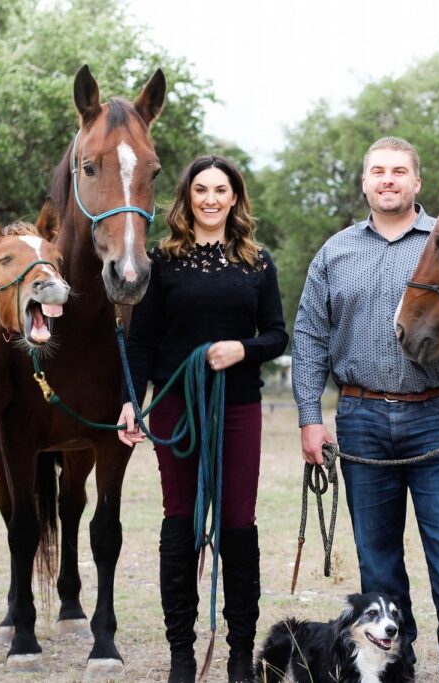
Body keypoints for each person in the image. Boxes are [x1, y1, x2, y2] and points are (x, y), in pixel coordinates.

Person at [291, 136, 439, 683]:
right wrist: (309, 416)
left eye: (398, 171)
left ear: (415, 182)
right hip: (361, 421)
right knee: (379, 564)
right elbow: (310, 338)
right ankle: (395, 670)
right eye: (377, 172)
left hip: (438, 418)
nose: (387, 180)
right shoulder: (334, 253)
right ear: (364, 183)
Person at [117, 155, 288, 683]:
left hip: (237, 406)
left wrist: (243, 348)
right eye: (200, 190)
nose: (210, 199)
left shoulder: (257, 263)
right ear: (187, 199)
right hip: (176, 406)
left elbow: (277, 335)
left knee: (238, 523)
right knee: (181, 521)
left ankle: (240, 654)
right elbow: (141, 342)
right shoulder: (162, 263)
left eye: (220, 189)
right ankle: (181, 656)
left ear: (235, 197)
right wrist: (130, 401)